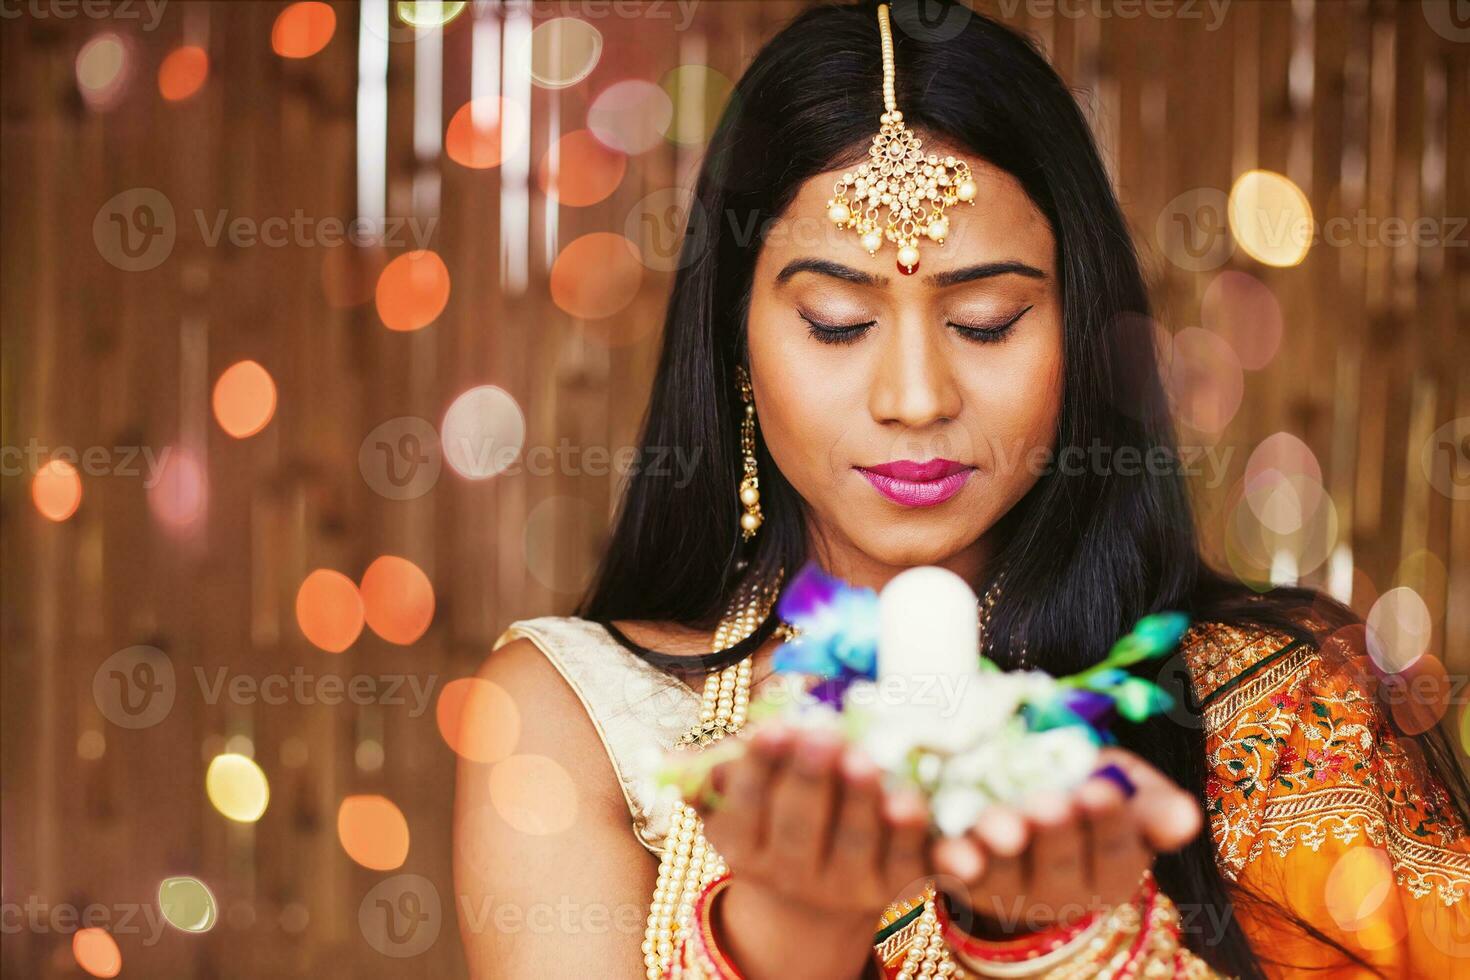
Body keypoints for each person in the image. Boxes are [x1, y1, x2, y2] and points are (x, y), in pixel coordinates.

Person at [454, 2, 1470, 976]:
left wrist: (1068, 944)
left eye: (985, 320)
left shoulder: (1285, 701)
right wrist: (790, 931)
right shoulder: (578, 717)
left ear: (1079, 332)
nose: (914, 396)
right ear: (737, 342)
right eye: (837, 323)